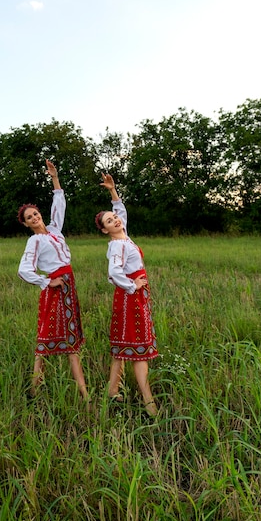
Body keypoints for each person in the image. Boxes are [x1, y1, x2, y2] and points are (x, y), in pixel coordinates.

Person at [17, 160, 89, 404]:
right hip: (55, 288)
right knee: (46, 339)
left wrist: (55, 179)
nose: (35, 218)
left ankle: (83, 394)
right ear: (26, 224)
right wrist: (47, 282)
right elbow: (23, 269)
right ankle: (35, 390)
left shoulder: (55, 231)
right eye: (30, 217)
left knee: (70, 342)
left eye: (36, 213)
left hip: (69, 284)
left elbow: (59, 206)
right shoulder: (34, 242)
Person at [95, 173, 158, 417]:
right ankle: (148, 401)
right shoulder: (118, 245)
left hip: (134, 296)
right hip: (129, 297)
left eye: (115, 218)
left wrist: (112, 191)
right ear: (105, 230)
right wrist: (133, 286)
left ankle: (112, 390)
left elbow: (121, 210)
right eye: (110, 221)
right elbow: (113, 273)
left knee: (125, 345)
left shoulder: (124, 237)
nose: (116, 221)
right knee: (137, 347)